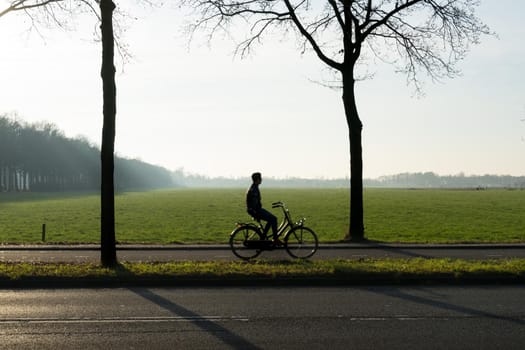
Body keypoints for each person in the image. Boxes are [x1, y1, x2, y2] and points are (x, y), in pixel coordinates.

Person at [246, 172, 279, 242]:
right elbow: (254, 204)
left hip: (255, 210)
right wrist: (256, 213)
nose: (261, 180)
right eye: (260, 178)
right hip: (256, 210)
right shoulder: (254, 189)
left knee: (271, 219)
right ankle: (275, 239)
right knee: (274, 219)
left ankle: (263, 237)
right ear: (257, 179)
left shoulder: (254, 187)